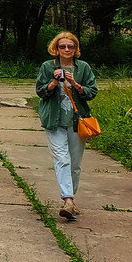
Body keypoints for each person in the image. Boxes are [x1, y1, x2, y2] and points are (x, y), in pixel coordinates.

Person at [35, 31, 98, 220]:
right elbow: (40, 91)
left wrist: (75, 83)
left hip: (77, 122)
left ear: (76, 49)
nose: (66, 49)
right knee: (62, 159)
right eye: (62, 46)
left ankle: (71, 200)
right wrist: (54, 81)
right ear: (56, 48)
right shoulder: (48, 66)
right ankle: (68, 201)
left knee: (75, 164)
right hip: (54, 122)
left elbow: (92, 91)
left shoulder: (83, 67)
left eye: (70, 46)